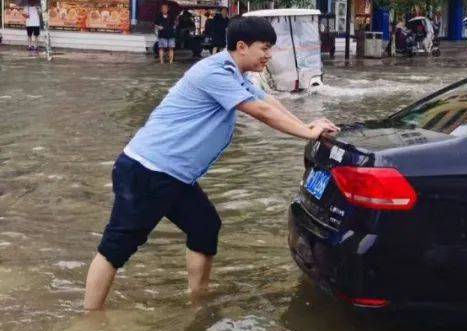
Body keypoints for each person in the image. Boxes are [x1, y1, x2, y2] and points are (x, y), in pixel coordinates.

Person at [82, 16, 339, 310]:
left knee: (205, 226)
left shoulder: (235, 73)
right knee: (118, 246)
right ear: (242, 47)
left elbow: (269, 102)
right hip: (148, 171)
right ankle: (90, 317)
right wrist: (307, 133)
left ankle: (198, 300)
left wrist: (307, 125)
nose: (269, 55)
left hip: (175, 176)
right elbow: (261, 113)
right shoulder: (213, 73)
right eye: (265, 48)